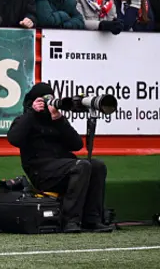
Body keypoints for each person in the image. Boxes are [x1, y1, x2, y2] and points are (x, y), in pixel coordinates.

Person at [7, 82, 113, 233]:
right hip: (42, 172)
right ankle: (70, 220)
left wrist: (59, 120)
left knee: (97, 166)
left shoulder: (56, 121)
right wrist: (31, 112)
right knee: (81, 166)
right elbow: (14, 139)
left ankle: (92, 219)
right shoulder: (25, 119)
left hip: (64, 168)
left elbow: (76, 145)